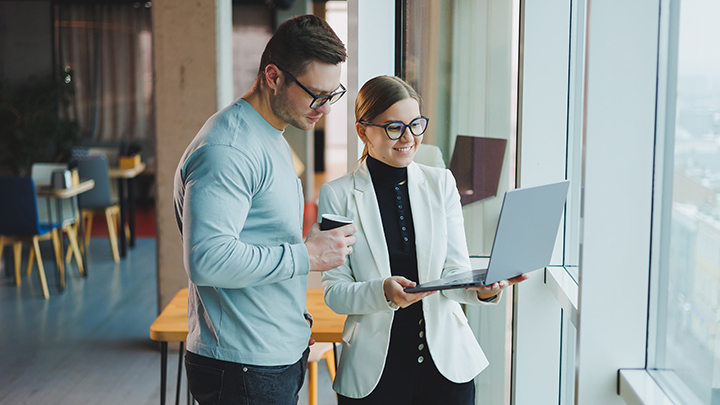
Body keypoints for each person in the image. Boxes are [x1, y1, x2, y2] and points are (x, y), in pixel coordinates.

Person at [173, 15, 357, 405]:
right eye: (315, 94)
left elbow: (263, 238)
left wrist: (291, 321)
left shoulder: (270, 132)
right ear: (273, 77)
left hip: (269, 355)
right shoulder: (229, 149)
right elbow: (207, 260)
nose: (324, 108)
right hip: (243, 368)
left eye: (332, 94)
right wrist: (306, 255)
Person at [318, 76, 529, 404]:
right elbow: (334, 293)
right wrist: (382, 291)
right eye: (394, 127)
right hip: (375, 374)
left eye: (415, 124)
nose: (408, 138)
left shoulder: (441, 183)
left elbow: (454, 273)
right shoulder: (338, 195)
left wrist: (484, 290)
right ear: (363, 130)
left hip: (446, 370)